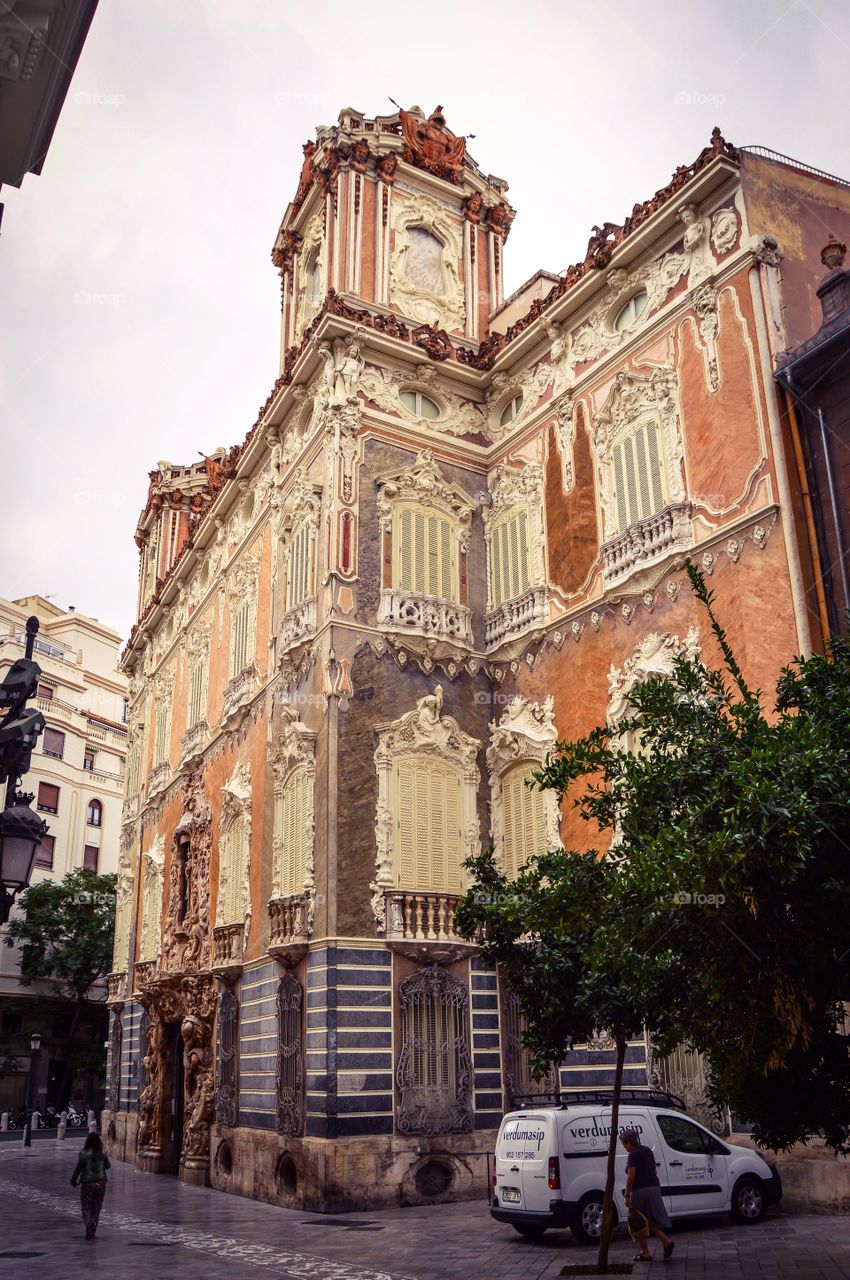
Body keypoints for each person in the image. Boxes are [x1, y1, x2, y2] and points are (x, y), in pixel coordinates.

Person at [620, 1127, 674, 1263]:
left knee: (638, 1223)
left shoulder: (633, 1154)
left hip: (640, 1190)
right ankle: (666, 1241)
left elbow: (631, 1176)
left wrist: (626, 1195)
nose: (624, 1147)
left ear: (628, 1143)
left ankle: (645, 1253)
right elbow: (654, 1171)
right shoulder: (648, 1150)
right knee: (650, 1220)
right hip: (654, 1187)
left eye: (624, 1144)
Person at [70, 1132, 110, 1239]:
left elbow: (78, 1169)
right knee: (97, 1206)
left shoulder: (84, 1155)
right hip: (101, 1182)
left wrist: (73, 1179)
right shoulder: (102, 1154)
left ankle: (88, 1224)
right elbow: (108, 1166)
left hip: (87, 1183)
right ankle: (93, 1223)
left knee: (86, 1205)